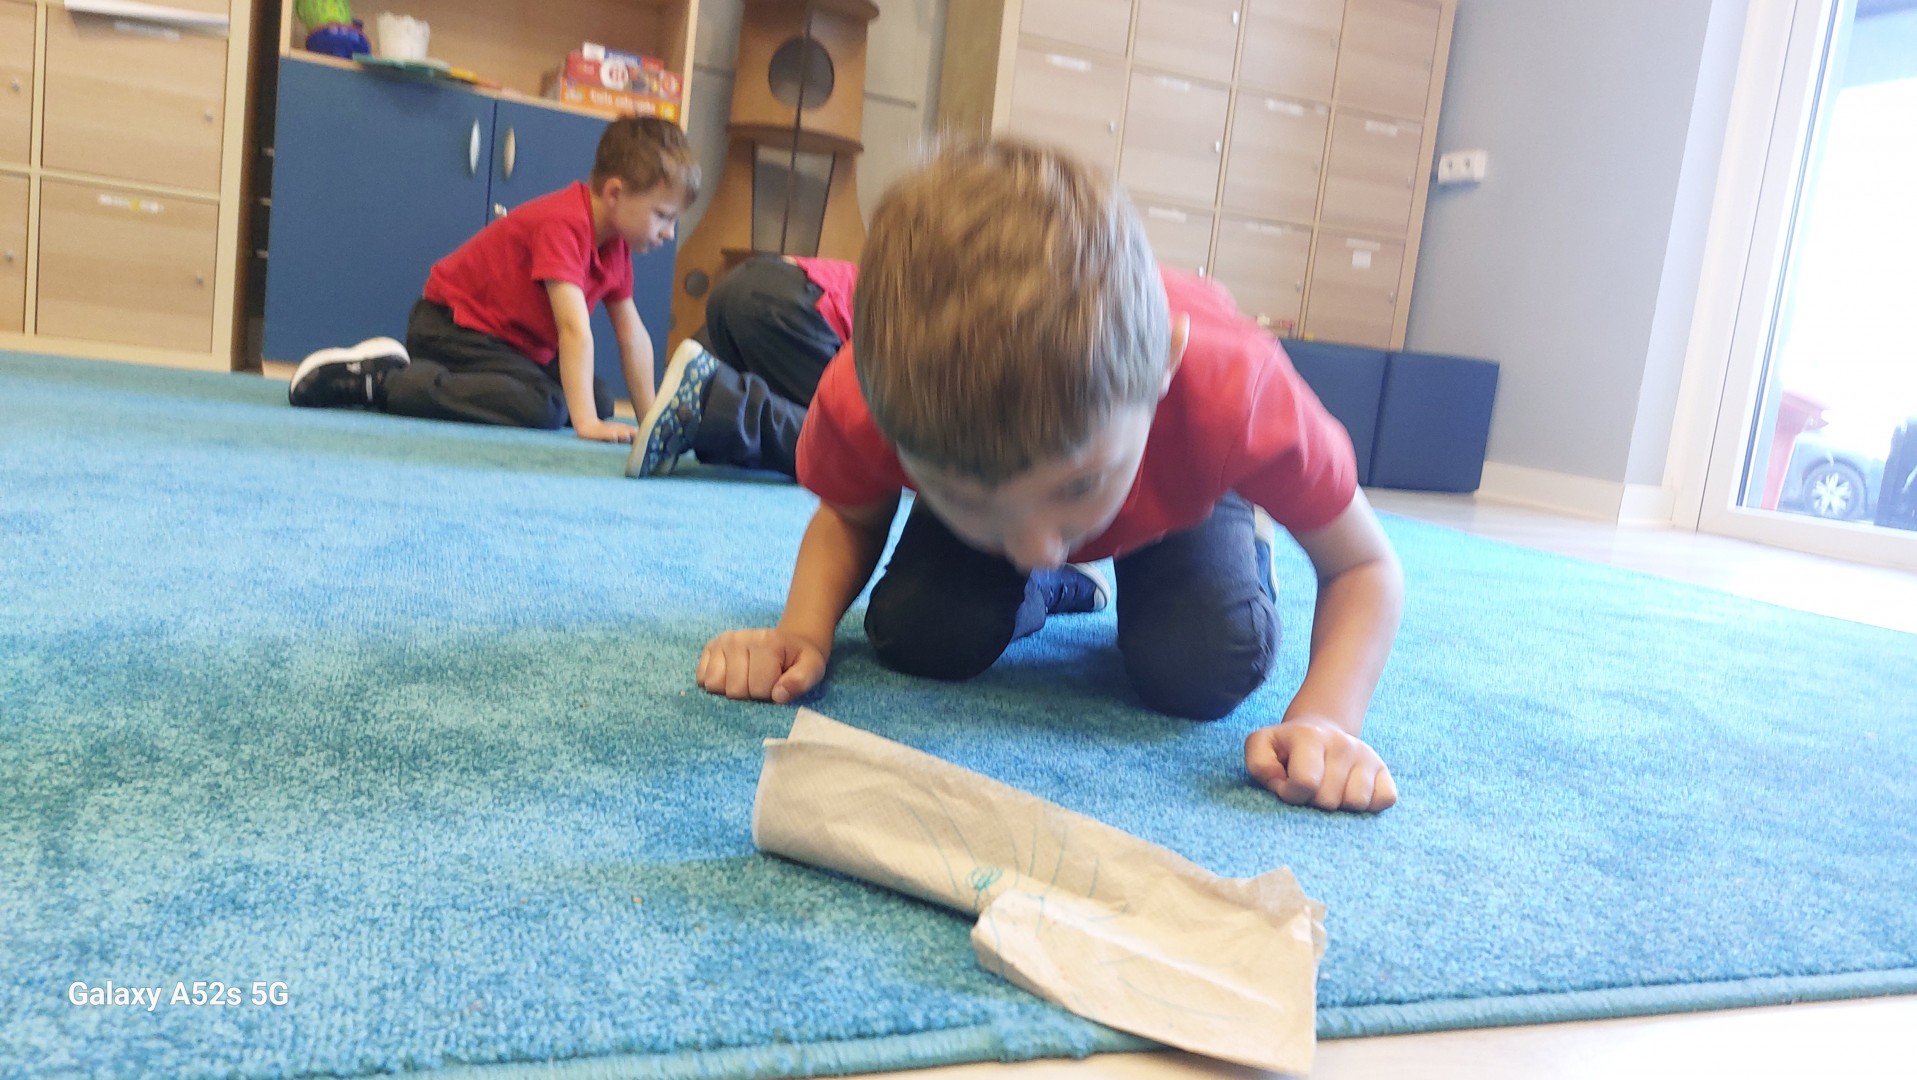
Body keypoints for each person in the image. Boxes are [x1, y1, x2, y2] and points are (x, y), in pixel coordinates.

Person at [695, 138, 1406, 814]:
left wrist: (1327, 718)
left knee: (1203, 663)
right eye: (967, 496)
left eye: (1078, 484)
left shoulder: (1236, 394)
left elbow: (1363, 565)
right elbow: (851, 518)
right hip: (1068, 454)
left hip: (1188, 490)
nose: (1038, 548)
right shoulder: (875, 392)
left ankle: (1240, 538)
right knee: (920, 637)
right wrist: (802, 631)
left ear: (1163, 365)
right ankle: (1065, 565)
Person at [287, 116, 700, 445]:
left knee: (599, 398)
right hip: (451, 329)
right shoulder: (564, 224)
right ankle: (386, 381)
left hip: (509, 344)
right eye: (662, 216)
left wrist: (651, 421)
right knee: (545, 408)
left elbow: (632, 336)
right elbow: (574, 330)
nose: (669, 233)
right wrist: (587, 425)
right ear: (614, 193)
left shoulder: (615, 246)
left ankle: (443, 380)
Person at [623, 254, 856, 479]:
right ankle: (708, 397)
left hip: (747, 285)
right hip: (788, 306)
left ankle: (698, 414)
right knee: (853, 455)